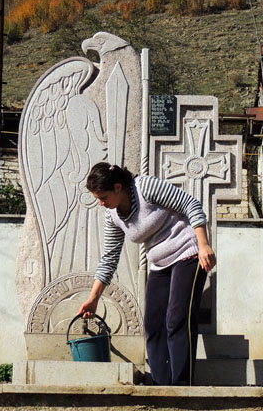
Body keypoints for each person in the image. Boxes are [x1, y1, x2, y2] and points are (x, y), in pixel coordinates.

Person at [78, 162, 216, 386]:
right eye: (97, 199)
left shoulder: (145, 187)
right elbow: (109, 258)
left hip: (188, 252)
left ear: (118, 187)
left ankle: (182, 387)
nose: (101, 203)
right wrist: (93, 298)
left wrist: (204, 244)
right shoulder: (112, 216)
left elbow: (190, 203)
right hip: (160, 263)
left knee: (177, 319)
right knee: (153, 325)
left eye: (103, 197)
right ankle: (162, 387)